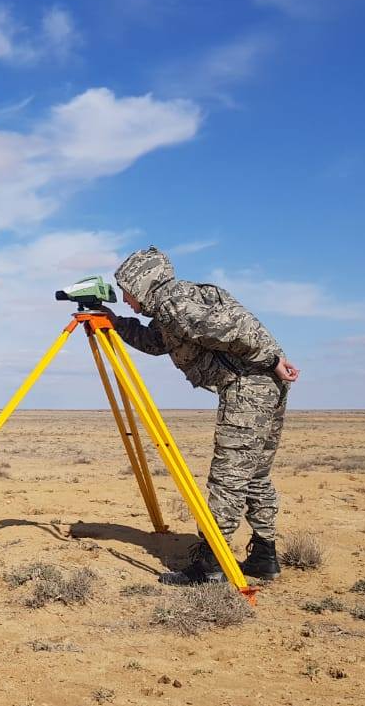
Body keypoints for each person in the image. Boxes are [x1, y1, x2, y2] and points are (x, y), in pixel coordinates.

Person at [106, 247, 299, 585]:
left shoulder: (174, 302)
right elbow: (155, 342)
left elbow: (235, 327)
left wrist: (270, 360)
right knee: (253, 473)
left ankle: (211, 564)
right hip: (262, 385)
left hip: (249, 386)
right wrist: (116, 323)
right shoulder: (172, 308)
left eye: (126, 291)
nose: (125, 298)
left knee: (228, 477)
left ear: (141, 283)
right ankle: (264, 555)